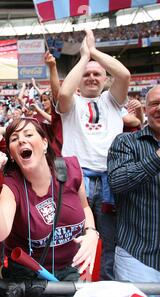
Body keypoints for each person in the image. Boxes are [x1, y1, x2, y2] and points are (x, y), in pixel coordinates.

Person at [0, 118, 98, 297]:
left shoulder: (71, 168)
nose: (21, 140)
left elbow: (85, 207)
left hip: (72, 270)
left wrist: (91, 232)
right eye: (14, 138)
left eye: (29, 134)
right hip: (27, 278)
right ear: (11, 154)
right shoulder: (12, 185)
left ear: (44, 143)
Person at [57, 29, 131, 280]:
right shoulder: (71, 105)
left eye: (96, 73)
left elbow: (124, 74)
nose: (91, 77)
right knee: (76, 241)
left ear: (104, 79)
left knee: (111, 241)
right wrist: (82, 58)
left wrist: (93, 52)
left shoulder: (113, 102)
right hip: (76, 182)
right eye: (86, 74)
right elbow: (65, 93)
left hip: (112, 180)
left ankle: (108, 288)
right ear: (78, 79)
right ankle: (78, 289)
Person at [107, 85, 160, 293]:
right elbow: (117, 182)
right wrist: (157, 158)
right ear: (145, 110)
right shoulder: (126, 142)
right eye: (155, 104)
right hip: (138, 257)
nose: (159, 109)